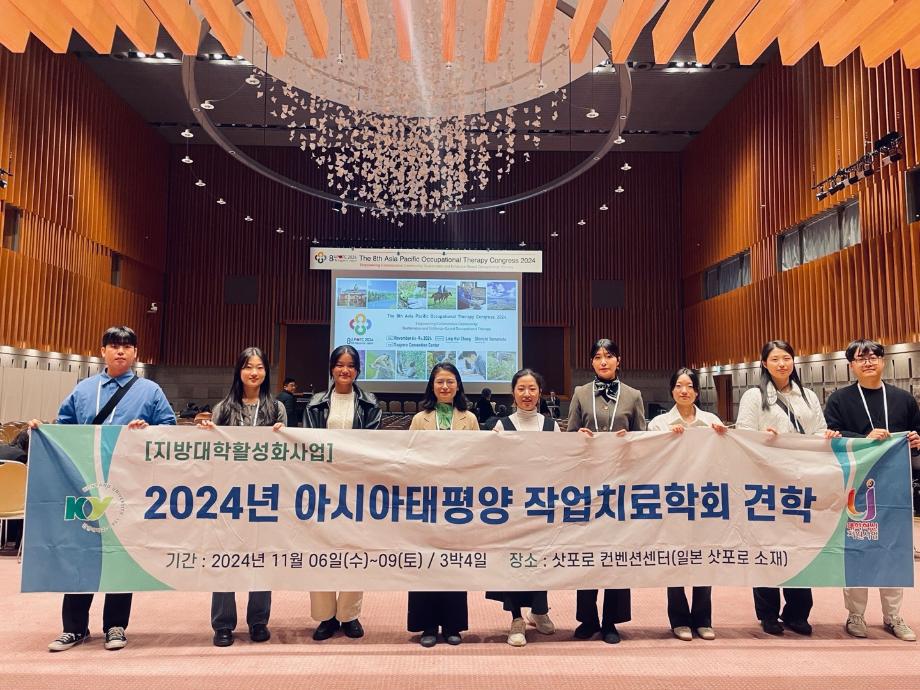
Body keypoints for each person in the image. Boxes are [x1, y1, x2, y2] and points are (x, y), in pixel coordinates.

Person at [30, 326, 175, 652]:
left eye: (126, 346)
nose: (120, 351)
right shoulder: (84, 389)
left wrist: (148, 430)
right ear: (103, 351)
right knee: (80, 551)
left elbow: (169, 431)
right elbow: (63, 429)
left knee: (121, 553)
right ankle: (74, 628)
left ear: (136, 353)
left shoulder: (150, 391)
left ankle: (115, 625)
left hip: (130, 485)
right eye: (114, 345)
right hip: (85, 485)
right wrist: (41, 430)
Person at [735, 339, 839, 637]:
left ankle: (797, 612)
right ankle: (768, 613)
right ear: (764, 364)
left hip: (801, 480)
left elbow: (819, 430)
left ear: (793, 361)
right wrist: (762, 436)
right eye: (775, 359)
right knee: (767, 546)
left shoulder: (807, 396)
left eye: (786, 358)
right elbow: (743, 433)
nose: (782, 364)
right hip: (766, 481)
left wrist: (826, 436)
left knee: (799, 545)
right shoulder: (754, 396)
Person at [823, 339, 920, 642]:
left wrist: (916, 440)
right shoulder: (839, 399)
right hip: (856, 486)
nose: (868, 362)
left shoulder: (904, 399)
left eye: (874, 356)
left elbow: (917, 433)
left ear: (883, 360)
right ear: (851, 365)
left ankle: (893, 616)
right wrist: (864, 438)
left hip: (895, 486)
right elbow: (834, 436)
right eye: (860, 358)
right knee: (857, 548)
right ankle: (855, 614)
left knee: (894, 549)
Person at [199, 347, 286, 648]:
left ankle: (258, 621)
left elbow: (286, 457)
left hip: (264, 496)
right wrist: (207, 432)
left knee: (261, 557)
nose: (254, 373)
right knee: (225, 558)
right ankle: (223, 623)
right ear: (239, 371)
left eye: (260, 367)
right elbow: (212, 453)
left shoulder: (276, 409)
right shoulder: (224, 408)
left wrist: (282, 434)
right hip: (229, 496)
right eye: (248, 367)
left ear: (266, 372)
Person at [566, 338, 646, 644]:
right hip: (587, 485)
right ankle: (587, 619)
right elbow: (569, 436)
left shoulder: (634, 395)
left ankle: (612, 620)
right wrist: (579, 435)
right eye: (598, 356)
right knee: (587, 551)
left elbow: (644, 439)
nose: (603, 361)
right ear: (592, 362)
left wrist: (631, 441)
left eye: (609, 356)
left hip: (621, 485)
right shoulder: (580, 393)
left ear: (618, 360)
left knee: (616, 552)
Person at [304, 345, 382, 641]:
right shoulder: (315, 403)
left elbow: (372, 447)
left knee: (354, 548)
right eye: (339, 364)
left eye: (350, 365)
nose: (344, 370)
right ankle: (325, 616)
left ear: (358, 370)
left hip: (356, 486)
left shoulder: (370, 404)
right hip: (321, 485)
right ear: (331, 368)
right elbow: (307, 444)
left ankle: (349, 615)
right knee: (320, 548)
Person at [648, 368, 727, 641]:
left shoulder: (711, 421)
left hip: (706, 501)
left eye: (690, 386)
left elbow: (725, 459)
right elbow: (651, 459)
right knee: (675, 558)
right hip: (673, 501)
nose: (684, 391)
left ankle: (703, 619)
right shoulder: (659, 424)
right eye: (679, 386)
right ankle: (679, 619)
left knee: (705, 556)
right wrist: (666, 440)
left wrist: (722, 437)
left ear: (697, 391)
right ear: (672, 390)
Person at [407, 362, 479, 647]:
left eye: (450, 381)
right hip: (426, 500)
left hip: (457, 501)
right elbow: (408, 458)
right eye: (440, 382)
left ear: (458, 385)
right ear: (432, 386)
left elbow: (479, 458)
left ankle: (452, 625)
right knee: (425, 561)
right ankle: (426, 625)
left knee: (453, 562)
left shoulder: (469, 419)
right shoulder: (419, 419)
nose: (445, 386)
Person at [487, 368, 558, 646]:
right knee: (514, 561)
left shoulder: (552, 426)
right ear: (513, 393)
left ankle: (539, 611)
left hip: (542, 507)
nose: (527, 394)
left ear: (540, 392)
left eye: (532, 389)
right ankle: (516, 617)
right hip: (512, 509)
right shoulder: (501, 426)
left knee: (541, 559)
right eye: (521, 389)